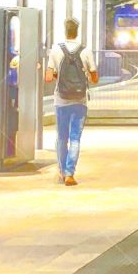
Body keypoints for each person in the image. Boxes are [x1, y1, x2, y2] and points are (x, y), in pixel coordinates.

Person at [44, 18, 98, 186]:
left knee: (62, 138)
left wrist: (57, 75)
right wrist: (87, 75)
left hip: (61, 100)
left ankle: (61, 171)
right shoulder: (86, 50)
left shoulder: (55, 50)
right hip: (80, 101)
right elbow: (95, 78)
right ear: (77, 31)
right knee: (75, 138)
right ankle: (69, 173)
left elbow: (47, 78)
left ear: (65, 31)